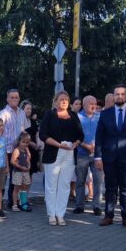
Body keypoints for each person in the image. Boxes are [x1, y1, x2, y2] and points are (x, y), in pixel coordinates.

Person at [95, 84, 126, 228]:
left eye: (122, 94)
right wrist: (98, 157)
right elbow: (99, 137)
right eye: (117, 94)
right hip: (109, 158)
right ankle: (108, 216)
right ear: (113, 96)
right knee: (110, 188)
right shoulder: (105, 114)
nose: (120, 96)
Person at [40, 91, 84, 226]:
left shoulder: (74, 115)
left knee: (65, 185)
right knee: (51, 185)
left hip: (69, 154)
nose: (64, 101)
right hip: (54, 151)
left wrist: (76, 143)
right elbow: (43, 134)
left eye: (66, 99)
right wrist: (59, 145)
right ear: (55, 101)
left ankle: (60, 214)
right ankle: (51, 214)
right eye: (61, 99)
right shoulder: (50, 115)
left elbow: (80, 135)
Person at [73, 96, 103, 215]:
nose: (94, 106)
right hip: (82, 154)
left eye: (95, 103)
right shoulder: (77, 117)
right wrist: (86, 145)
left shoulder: (100, 117)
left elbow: (104, 133)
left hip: (97, 155)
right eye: (91, 103)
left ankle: (97, 206)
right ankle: (79, 205)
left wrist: (96, 145)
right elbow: (74, 135)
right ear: (84, 105)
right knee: (80, 180)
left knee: (98, 181)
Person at [0, 89, 25, 208]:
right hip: (5, 150)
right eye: (12, 97)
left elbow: (23, 131)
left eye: (16, 97)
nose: (14, 99)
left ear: (19, 99)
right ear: (7, 99)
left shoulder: (22, 113)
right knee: (3, 177)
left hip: (18, 151)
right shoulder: (3, 113)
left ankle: (12, 202)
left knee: (16, 178)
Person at [10, 132, 33, 212]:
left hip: (25, 172)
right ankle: (14, 205)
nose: (25, 144)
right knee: (16, 188)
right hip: (18, 172)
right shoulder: (17, 150)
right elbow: (12, 161)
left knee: (24, 187)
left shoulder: (26, 151)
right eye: (23, 142)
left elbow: (28, 159)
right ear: (19, 141)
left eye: (27, 142)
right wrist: (21, 167)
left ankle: (23, 202)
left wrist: (29, 166)